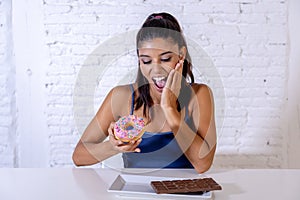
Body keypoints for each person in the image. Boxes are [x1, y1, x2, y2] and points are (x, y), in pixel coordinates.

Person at [72, 12, 217, 173]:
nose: (155, 69)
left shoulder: (199, 95)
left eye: (165, 58)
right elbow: (78, 157)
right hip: (135, 192)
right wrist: (114, 146)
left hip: (183, 194)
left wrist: (169, 109)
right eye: (146, 60)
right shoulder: (121, 97)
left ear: (181, 55)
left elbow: (203, 164)